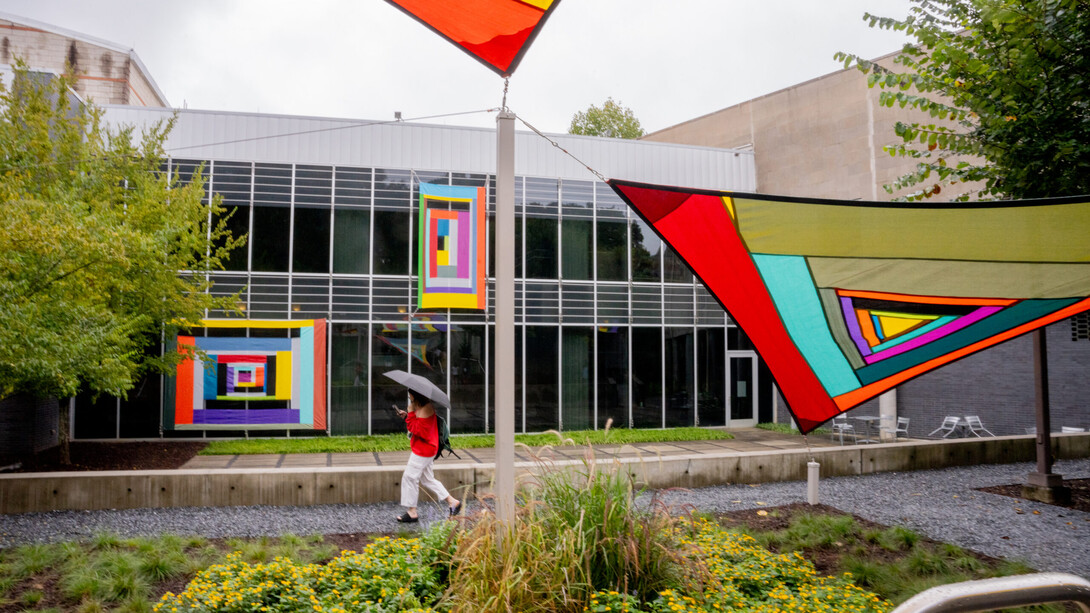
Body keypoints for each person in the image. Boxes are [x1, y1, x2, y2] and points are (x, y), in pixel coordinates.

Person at [394, 389, 462, 523]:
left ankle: (412, 512)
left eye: (410, 395)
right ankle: (453, 502)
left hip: (424, 450)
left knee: (409, 477)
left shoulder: (426, 408)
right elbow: (416, 425)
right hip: (425, 448)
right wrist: (408, 415)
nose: (409, 397)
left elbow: (417, 430)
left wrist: (411, 412)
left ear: (416, 395)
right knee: (427, 480)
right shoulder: (420, 407)